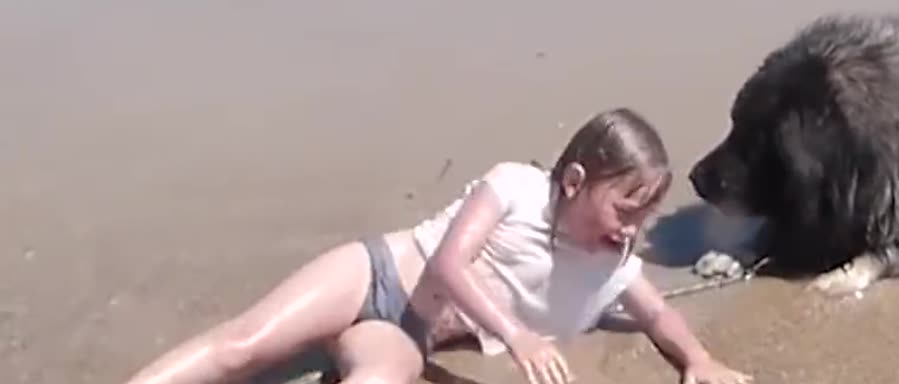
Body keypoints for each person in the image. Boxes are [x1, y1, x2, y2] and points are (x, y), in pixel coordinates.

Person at [122, 107, 751, 384]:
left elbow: (658, 312)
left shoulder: (609, 263)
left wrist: (696, 360)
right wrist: (518, 336)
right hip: (372, 276)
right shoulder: (515, 187)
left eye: (645, 215)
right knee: (243, 347)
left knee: (381, 378)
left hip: (406, 332)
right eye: (624, 207)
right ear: (575, 180)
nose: (631, 228)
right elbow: (450, 262)